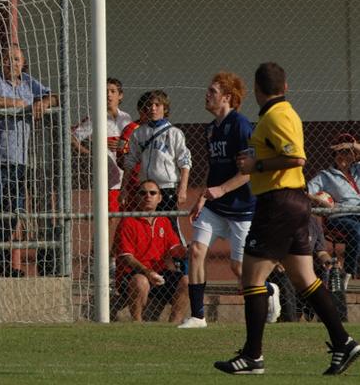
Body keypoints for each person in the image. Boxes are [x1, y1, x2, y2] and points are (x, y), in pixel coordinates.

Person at [215, 62, 360, 375]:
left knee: (252, 278)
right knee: (304, 278)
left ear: (256, 90)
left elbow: (296, 157)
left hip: (278, 203)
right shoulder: (283, 112)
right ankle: (343, 341)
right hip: (291, 202)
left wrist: (257, 166)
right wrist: (257, 161)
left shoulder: (278, 115)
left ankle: (253, 356)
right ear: (286, 87)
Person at [180, 72, 280, 328]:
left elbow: (248, 171)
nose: (207, 95)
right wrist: (203, 197)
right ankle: (198, 316)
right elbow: (215, 169)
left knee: (239, 269)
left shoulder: (240, 125)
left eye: (212, 91)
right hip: (215, 207)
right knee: (196, 251)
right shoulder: (210, 129)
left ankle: (270, 290)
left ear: (227, 97)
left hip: (242, 208)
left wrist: (222, 190)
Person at [0, 44, 59, 277]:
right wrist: (18, 104)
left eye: (17, 59)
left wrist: (42, 103)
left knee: (11, 215)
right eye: (8, 59)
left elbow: (54, 97)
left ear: (23, 62)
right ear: (1, 61)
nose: (12, 63)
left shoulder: (28, 81)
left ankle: (3, 264)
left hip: (18, 161)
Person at [121, 89, 191, 251]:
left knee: (170, 225)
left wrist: (183, 188)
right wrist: (124, 188)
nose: (152, 108)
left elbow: (185, 162)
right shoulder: (139, 133)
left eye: (157, 105)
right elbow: (130, 162)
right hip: (145, 188)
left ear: (164, 108)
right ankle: (153, 260)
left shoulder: (174, 133)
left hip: (167, 188)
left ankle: (180, 261)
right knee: (145, 225)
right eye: (149, 105)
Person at [111, 180, 189, 322]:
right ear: (136, 197)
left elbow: (175, 249)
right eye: (143, 193)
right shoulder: (128, 221)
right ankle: (138, 324)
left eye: (153, 193)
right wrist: (148, 272)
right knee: (141, 281)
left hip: (159, 274)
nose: (148, 196)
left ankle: (174, 326)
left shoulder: (163, 221)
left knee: (187, 281)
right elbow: (127, 257)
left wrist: (191, 251)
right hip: (132, 275)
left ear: (159, 198)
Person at [71, 77, 132, 232]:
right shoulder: (96, 117)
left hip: (127, 176)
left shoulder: (127, 118)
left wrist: (124, 146)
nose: (109, 95)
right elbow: (73, 137)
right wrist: (91, 153)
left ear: (120, 95)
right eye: (105, 92)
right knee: (108, 219)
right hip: (107, 179)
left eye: (113, 91)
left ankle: (117, 253)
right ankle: (96, 252)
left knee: (129, 218)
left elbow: (132, 143)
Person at [307, 132, 360, 287]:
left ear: (354, 155)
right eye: (339, 153)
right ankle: (348, 273)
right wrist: (320, 201)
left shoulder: (358, 170)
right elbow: (305, 191)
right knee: (356, 230)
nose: (343, 156)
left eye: (346, 153)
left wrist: (351, 145)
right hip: (340, 216)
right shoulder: (325, 176)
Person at [268, 215, 334, 322]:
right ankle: (290, 320)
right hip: (281, 265)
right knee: (284, 276)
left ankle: (327, 318)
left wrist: (328, 261)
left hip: (304, 266)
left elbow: (321, 252)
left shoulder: (313, 222)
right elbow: (267, 249)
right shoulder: (277, 219)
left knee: (330, 271)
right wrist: (276, 263)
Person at [117, 93, 149, 210]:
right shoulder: (131, 129)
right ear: (140, 111)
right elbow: (121, 155)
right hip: (135, 183)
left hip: (157, 181)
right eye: (146, 108)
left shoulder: (163, 129)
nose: (150, 111)